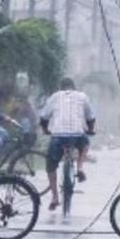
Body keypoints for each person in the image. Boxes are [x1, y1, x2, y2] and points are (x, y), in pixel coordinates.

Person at [39, 77, 96, 211]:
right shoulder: (82, 96)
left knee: (50, 166)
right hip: (77, 134)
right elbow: (91, 117)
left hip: (58, 135)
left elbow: (43, 117)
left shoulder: (54, 97)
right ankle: (80, 167)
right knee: (85, 144)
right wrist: (91, 130)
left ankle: (55, 197)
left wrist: (46, 130)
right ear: (73, 87)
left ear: (61, 87)